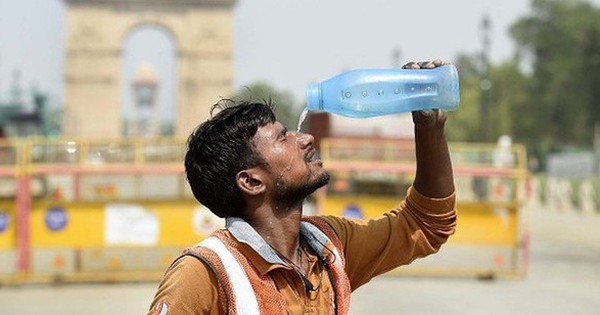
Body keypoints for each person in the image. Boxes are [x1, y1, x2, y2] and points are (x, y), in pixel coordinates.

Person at [148, 60, 457, 315]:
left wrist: (429, 129)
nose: (306, 139)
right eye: (284, 138)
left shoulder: (329, 247)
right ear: (252, 182)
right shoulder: (205, 275)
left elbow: (425, 224)